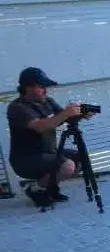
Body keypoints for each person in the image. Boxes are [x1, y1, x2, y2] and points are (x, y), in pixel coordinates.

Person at [6, 67, 82, 208]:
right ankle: (35, 189)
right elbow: (40, 126)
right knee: (67, 166)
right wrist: (66, 113)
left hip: (47, 153)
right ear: (28, 88)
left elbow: (66, 117)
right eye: (41, 87)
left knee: (79, 158)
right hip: (25, 159)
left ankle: (49, 187)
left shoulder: (48, 101)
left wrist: (80, 114)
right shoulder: (17, 108)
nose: (46, 90)